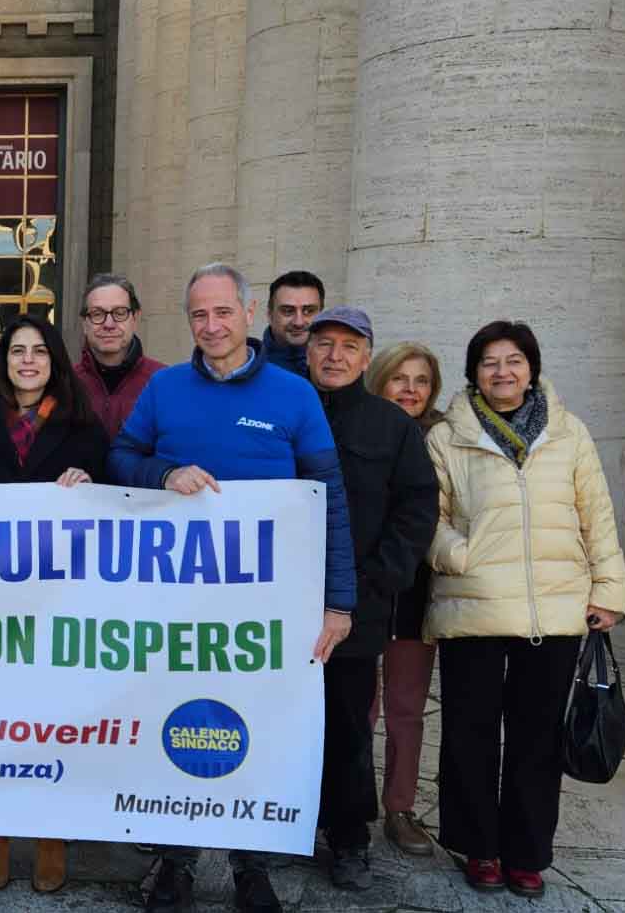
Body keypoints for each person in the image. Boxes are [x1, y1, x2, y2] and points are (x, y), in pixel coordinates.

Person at [109, 262, 356, 913]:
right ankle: (175, 862)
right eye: (198, 314)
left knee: (260, 726)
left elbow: (329, 499)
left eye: (222, 312)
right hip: (176, 602)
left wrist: (338, 601)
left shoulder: (293, 394)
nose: (211, 326)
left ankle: (251, 864)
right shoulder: (164, 390)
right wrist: (164, 473)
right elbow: (122, 460)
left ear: (248, 314)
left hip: (266, 608)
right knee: (171, 717)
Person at [425, 321, 625, 898]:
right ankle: (479, 847)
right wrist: (460, 554)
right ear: (474, 373)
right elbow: (428, 518)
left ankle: (526, 852)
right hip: (476, 607)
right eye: (489, 362)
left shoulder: (569, 433)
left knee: (536, 738)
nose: (502, 372)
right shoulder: (448, 436)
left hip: (554, 612)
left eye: (514, 360)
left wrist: (608, 590)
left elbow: (597, 514)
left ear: (532, 368)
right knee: (470, 734)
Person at [0, 315, 108, 893]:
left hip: (60, 601)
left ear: (55, 362)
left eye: (39, 352)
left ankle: (51, 834)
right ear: (4, 363)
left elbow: (113, 490)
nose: (27, 361)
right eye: (17, 351)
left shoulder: (83, 428)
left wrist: (89, 480)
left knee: (54, 719)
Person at [304, 308, 437, 890]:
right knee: (286, 723)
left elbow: (416, 510)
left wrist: (377, 581)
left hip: (354, 611)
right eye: (324, 344)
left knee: (349, 726)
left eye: (348, 347)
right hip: (273, 606)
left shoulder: (392, 426)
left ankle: (349, 837)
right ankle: (284, 823)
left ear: (365, 358)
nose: (334, 356)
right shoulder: (283, 410)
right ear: (308, 352)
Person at [363, 341, 446, 857]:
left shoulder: (444, 441)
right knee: (357, 707)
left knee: (406, 707)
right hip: (362, 589)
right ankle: (346, 806)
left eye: (420, 381)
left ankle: (400, 807)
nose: (410, 389)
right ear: (381, 381)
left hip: (416, 592)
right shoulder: (360, 428)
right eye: (400, 378)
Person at [72, 273, 167, 439]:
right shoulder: (65, 384)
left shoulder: (164, 382)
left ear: (135, 318)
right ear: (84, 324)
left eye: (120, 312)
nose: (109, 324)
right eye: (97, 314)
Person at [262, 270, 324, 377]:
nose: (298, 322)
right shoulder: (248, 367)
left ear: (322, 314)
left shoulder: (340, 365)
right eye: (288, 311)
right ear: (270, 315)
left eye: (309, 311)